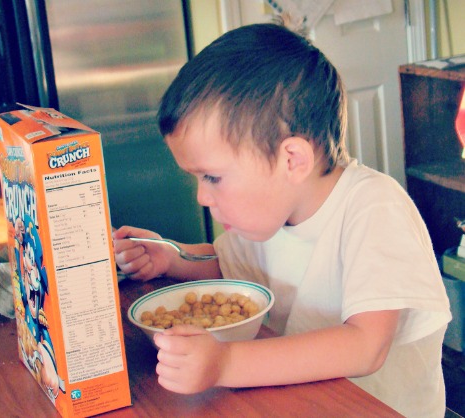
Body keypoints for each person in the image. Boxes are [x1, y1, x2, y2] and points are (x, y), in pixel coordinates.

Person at [112, 21, 451, 418]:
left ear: (292, 160)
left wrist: (223, 364)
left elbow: (365, 346)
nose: (203, 197)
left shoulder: (375, 208)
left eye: (213, 177)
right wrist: (172, 257)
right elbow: (230, 264)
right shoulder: (271, 214)